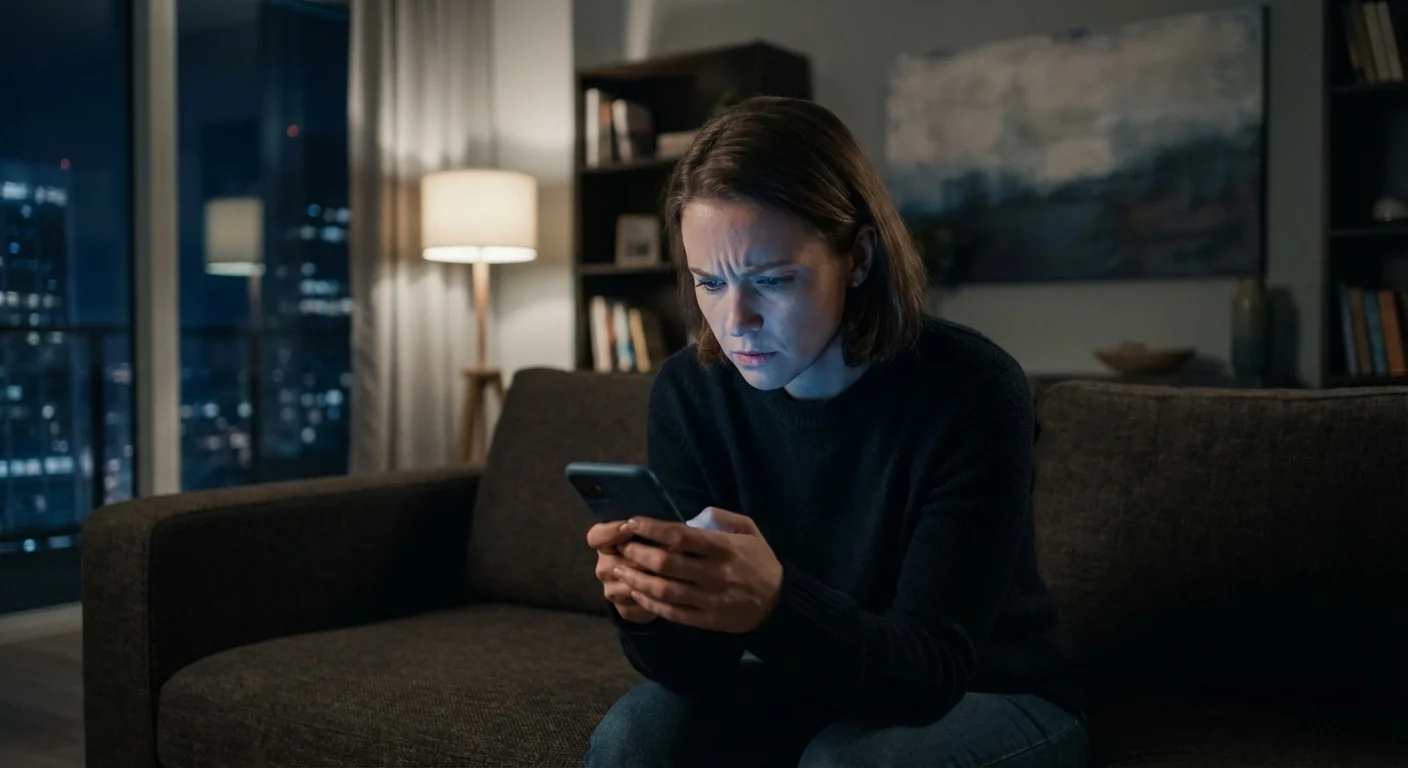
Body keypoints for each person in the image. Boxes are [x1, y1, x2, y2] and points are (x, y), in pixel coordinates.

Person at [583, 96, 1087, 768]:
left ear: (858, 258)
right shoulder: (690, 392)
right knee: (633, 739)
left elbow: (932, 670)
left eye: (771, 279)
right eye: (710, 280)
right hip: (807, 675)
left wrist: (775, 603)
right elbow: (696, 669)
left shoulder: (973, 390)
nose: (736, 320)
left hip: (989, 688)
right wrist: (648, 608)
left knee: (848, 765)